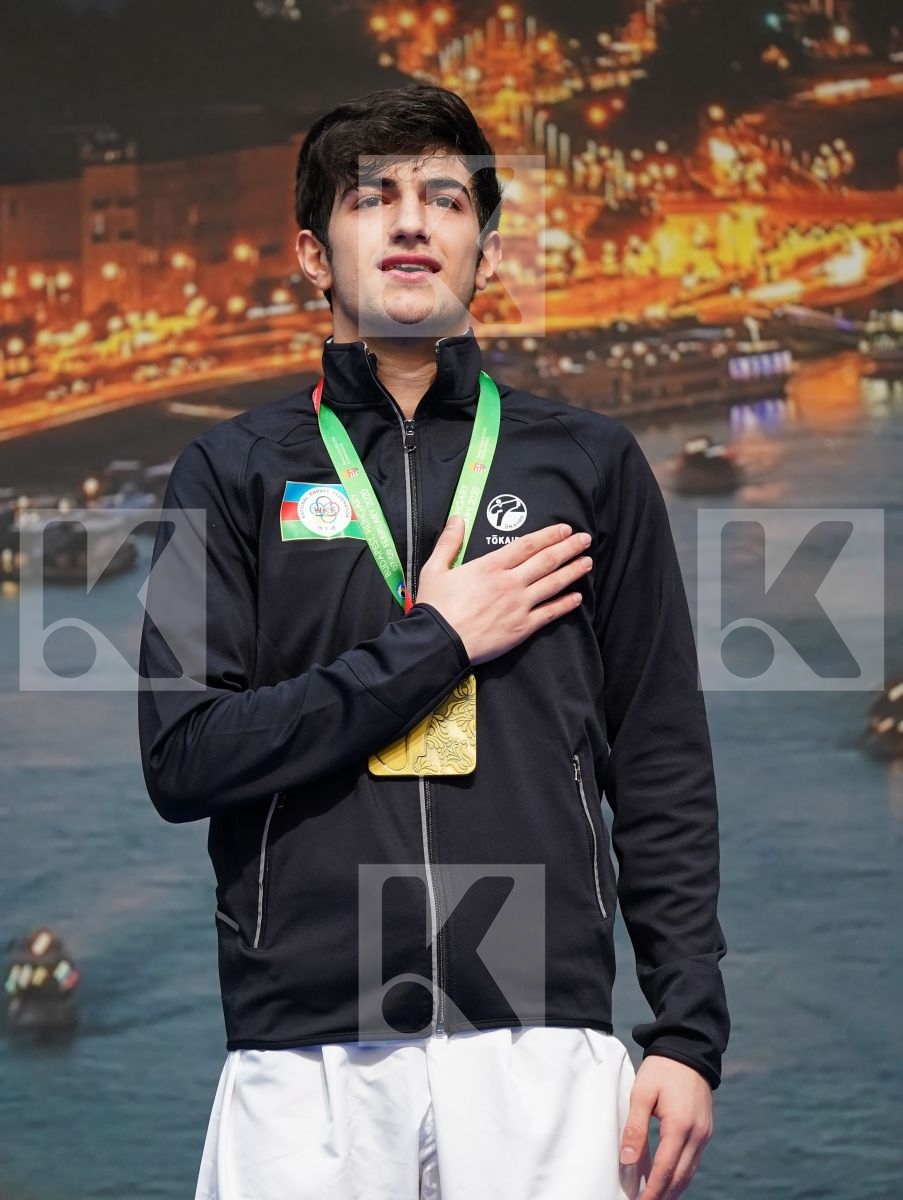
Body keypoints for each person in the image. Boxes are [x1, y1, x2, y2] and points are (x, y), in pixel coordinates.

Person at [138, 84, 729, 1200]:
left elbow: (659, 764)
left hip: (542, 1043)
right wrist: (439, 640)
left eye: (445, 197)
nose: (411, 222)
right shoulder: (225, 476)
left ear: (486, 251)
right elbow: (185, 757)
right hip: (301, 1055)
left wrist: (687, 1033)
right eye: (374, 198)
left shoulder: (591, 465)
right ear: (315, 256)